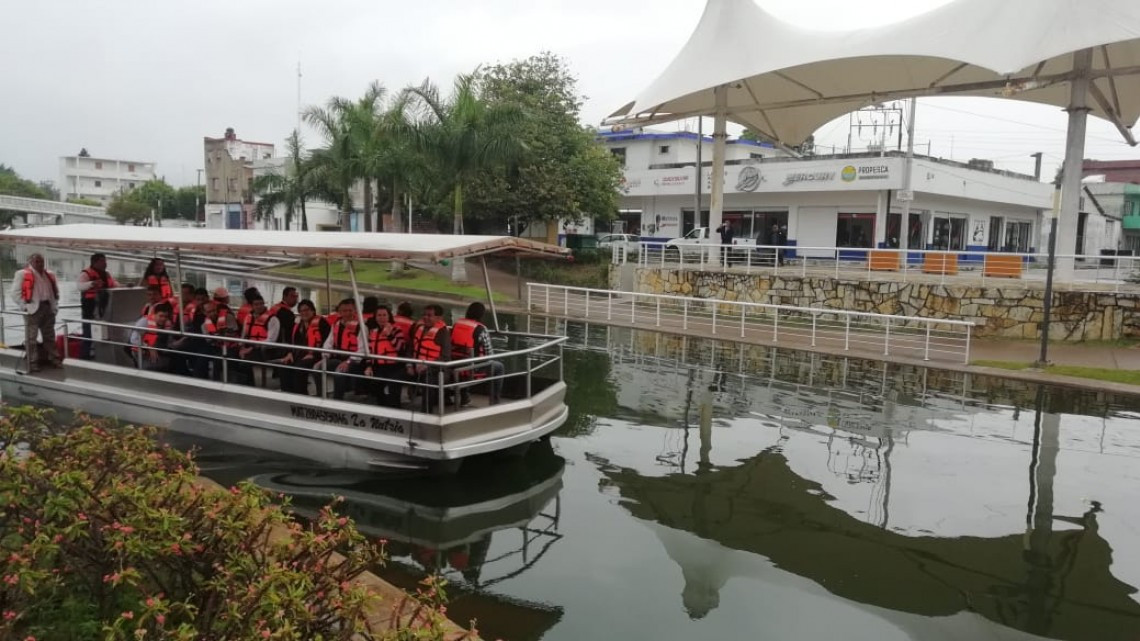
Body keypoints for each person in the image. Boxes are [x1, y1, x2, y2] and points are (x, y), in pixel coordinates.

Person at [9, 253, 60, 372]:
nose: (40, 264)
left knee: (50, 336)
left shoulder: (50, 274)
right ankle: (32, 362)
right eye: (37, 261)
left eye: (41, 261)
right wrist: (24, 306)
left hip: (47, 307)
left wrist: (55, 306)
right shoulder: (22, 274)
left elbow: (54, 292)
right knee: (31, 337)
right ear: (30, 262)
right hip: (32, 309)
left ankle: (54, 359)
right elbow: (15, 293)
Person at [451, 302, 504, 405]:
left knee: (464, 362)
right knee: (499, 367)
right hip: (472, 370)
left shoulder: (456, 325)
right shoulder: (481, 329)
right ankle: (495, 402)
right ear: (481, 315)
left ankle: (465, 396)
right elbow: (489, 354)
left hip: (454, 366)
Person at [317, 298, 365, 400]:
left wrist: (348, 361)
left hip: (354, 361)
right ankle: (320, 396)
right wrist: (324, 357)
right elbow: (328, 343)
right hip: (337, 359)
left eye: (350, 310)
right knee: (317, 368)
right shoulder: (336, 324)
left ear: (355, 311)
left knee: (339, 372)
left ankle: (337, 400)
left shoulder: (361, 327)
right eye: (344, 311)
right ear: (340, 312)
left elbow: (362, 350)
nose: (347, 313)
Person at [280, 299, 330, 395]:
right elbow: (291, 341)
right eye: (301, 311)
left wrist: (314, 354)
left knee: (300, 367)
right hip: (299, 354)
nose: (304, 313)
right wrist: (289, 353)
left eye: (307, 310)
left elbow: (326, 342)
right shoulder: (298, 324)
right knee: (284, 365)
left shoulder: (322, 323)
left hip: (318, 355)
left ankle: (301, 395)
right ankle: (288, 394)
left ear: (313, 310)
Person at [407, 304, 451, 411]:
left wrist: (427, 366)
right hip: (415, 367)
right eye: (424, 314)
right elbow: (410, 349)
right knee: (394, 375)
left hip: (436, 370)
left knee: (428, 381)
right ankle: (392, 409)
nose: (425, 317)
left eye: (429, 315)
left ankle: (426, 412)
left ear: (439, 318)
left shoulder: (443, 333)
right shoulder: (419, 328)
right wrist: (409, 365)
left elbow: (445, 357)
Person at [76, 252, 119, 360]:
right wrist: (92, 283)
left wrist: (125, 286)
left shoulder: (107, 274)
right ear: (94, 262)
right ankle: (84, 357)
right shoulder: (86, 274)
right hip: (90, 308)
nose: (105, 263)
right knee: (88, 333)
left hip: (104, 308)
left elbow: (114, 284)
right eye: (102, 261)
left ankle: (101, 355)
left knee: (103, 332)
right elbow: (79, 286)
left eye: (105, 261)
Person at [361, 305, 405, 407]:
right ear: (375, 317)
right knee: (374, 383)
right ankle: (381, 406)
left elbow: (401, 348)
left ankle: (395, 408)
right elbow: (370, 351)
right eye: (379, 315)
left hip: (394, 366)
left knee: (393, 387)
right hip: (378, 366)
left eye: (384, 315)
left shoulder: (397, 330)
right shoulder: (373, 332)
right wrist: (369, 366)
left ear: (389, 316)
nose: (382, 318)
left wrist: (389, 335)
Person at [129, 302, 173, 371]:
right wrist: (148, 347)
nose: (163, 319)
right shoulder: (144, 321)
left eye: (165, 317)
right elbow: (134, 339)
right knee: (150, 368)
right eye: (161, 316)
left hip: (156, 349)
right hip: (141, 351)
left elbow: (169, 341)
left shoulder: (166, 324)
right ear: (154, 314)